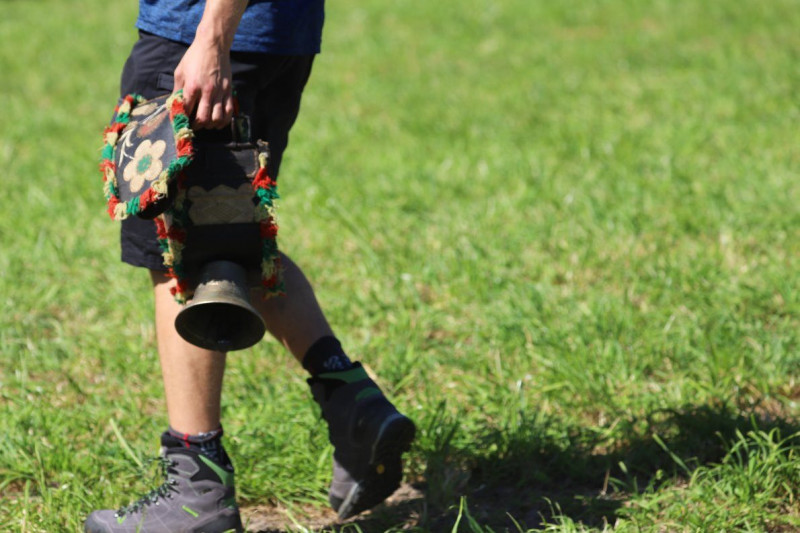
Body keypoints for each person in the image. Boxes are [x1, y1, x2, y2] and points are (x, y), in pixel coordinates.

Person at [84, 1, 416, 532]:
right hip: (276, 36)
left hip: (201, 38)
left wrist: (212, 37)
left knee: (179, 256)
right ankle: (352, 403)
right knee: (234, 242)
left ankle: (197, 490)